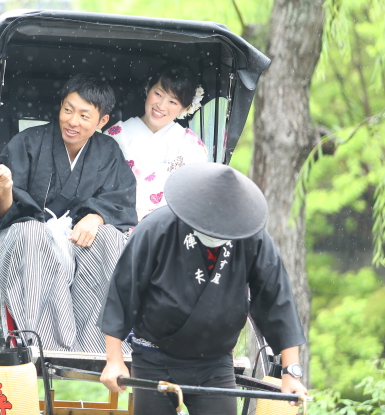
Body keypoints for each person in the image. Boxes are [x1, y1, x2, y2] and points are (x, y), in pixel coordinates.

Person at [99, 163, 308, 415]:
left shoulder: (251, 237)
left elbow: (277, 299)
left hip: (214, 362)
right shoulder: (156, 228)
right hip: (153, 356)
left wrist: (291, 371)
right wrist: (114, 359)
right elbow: (123, 292)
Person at [0, 74, 137, 353]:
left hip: (76, 243)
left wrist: (96, 217)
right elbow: (3, 213)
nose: (72, 121)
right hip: (25, 241)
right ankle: (45, 345)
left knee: (110, 238)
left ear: (102, 121)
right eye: (68, 110)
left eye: (84, 115)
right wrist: (6, 187)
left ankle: (100, 347)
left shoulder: (108, 151)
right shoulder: (28, 142)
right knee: (32, 232)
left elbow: (120, 201)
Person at [105, 62, 208, 221]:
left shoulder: (191, 146)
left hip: (167, 230)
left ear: (184, 108)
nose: (161, 106)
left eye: (172, 102)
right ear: (148, 89)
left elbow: (194, 199)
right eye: (158, 94)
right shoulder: (114, 136)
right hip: (116, 224)